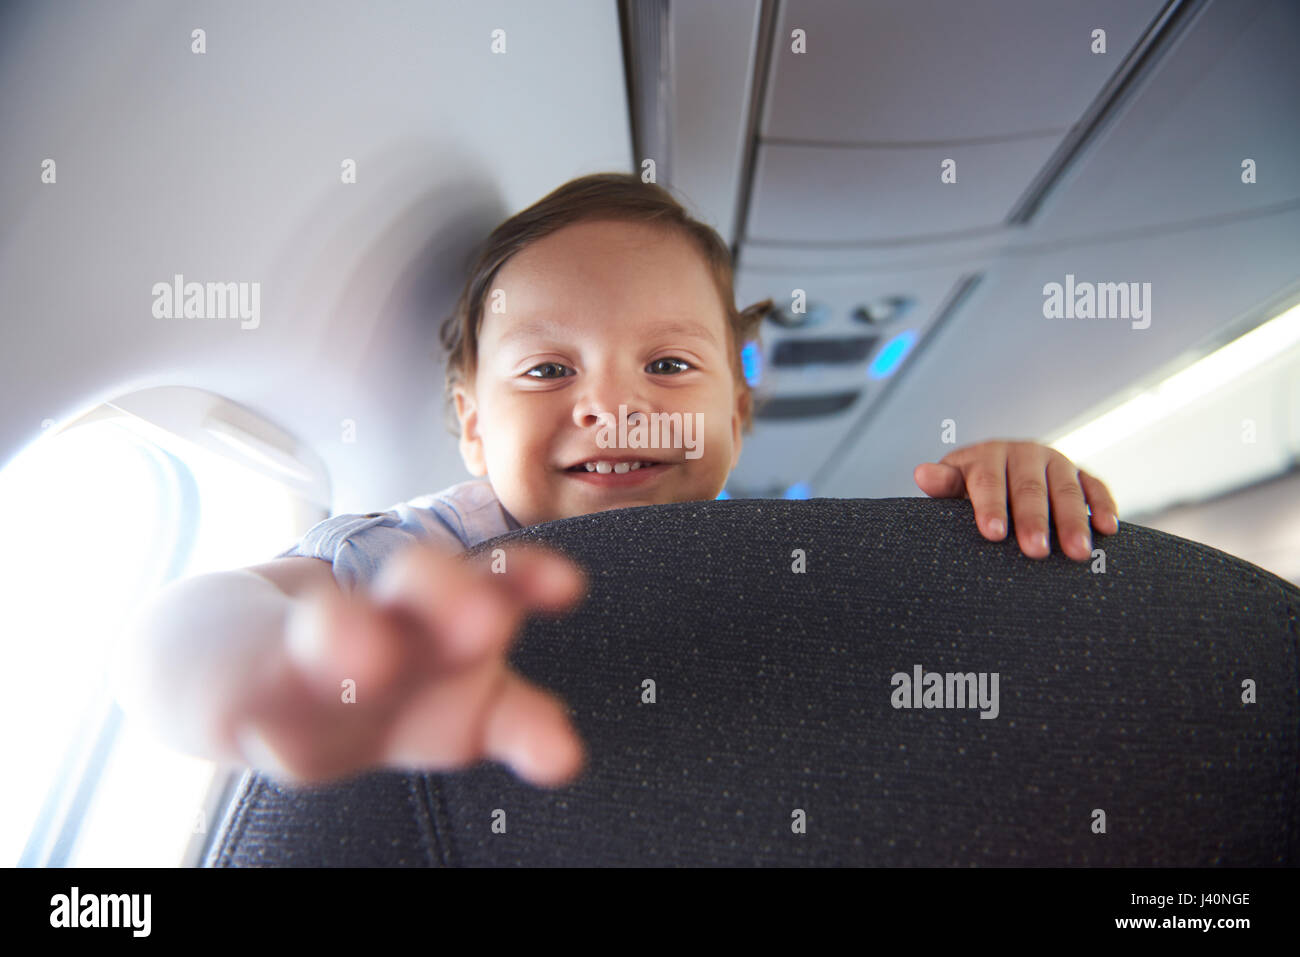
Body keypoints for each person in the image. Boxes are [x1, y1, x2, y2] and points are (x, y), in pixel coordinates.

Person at [114, 172, 1119, 791]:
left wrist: (1008, 491)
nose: (610, 407)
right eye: (550, 371)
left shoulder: (794, 570)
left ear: (735, 411)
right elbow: (191, 628)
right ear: (471, 424)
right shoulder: (408, 565)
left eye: (669, 366)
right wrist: (263, 673)